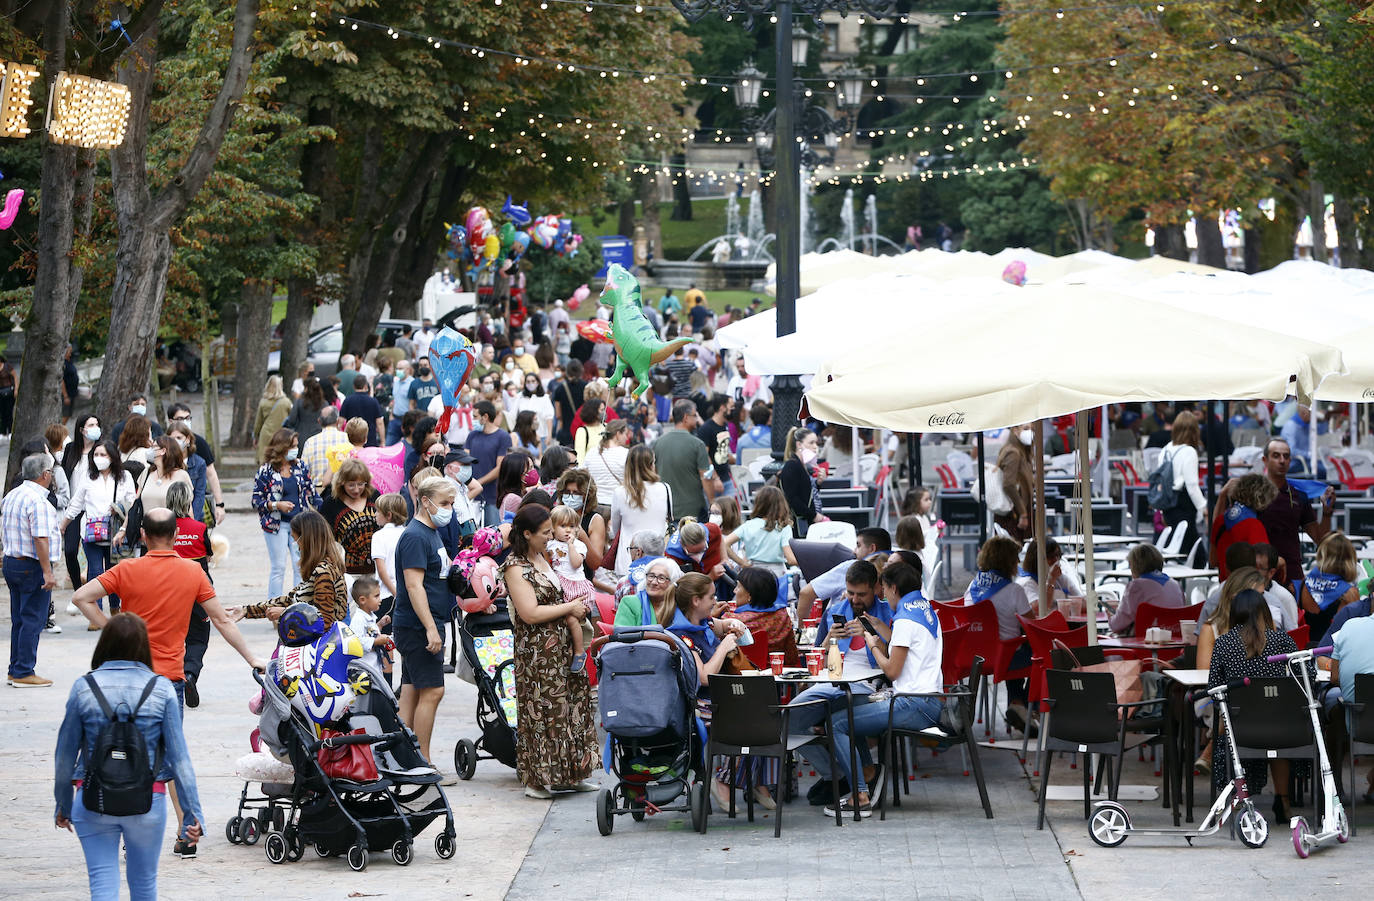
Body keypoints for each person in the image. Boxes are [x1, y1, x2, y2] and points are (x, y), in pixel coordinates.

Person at [54, 613, 205, 897]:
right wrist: (191, 815)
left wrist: (62, 804)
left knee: (102, 880)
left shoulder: (83, 688)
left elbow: (64, 756)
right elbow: (180, 758)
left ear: (104, 644)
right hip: (148, 799)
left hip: (91, 799)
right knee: (145, 882)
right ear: (144, 646)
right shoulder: (161, 689)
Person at [826, 561, 941, 817]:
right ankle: (867, 771)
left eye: (884, 589)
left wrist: (873, 645)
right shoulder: (922, 608)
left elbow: (891, 671)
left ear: (893, 588)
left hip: (913, 703)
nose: (883, 595)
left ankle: (860, 796)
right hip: (926, 699)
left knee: (836, 724)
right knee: (849, 705)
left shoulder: (904, 619)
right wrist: (878, 627)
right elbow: (905, 645)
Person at [502, 504, 598, 798]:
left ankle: (571, 774)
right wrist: (570, 607)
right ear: (527, 534)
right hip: (538, 653)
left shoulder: (542, 557)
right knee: (545, 712)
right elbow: (529, 613)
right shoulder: (515, 566)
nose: (549, 537)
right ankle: (536, 779)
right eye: (544, 533)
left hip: (563, 647)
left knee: (572, 708)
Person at [786, 558, 895, 805]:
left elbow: (894, 664)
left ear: (876, 588)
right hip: (832, 682)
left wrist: (874, 637)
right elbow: (818, 659)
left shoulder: (887, 614)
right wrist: (828, 641)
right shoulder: (836, 611)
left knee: (841, 713)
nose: (854, 600)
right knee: (787, 723)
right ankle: (840, 775)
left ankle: (859, 781)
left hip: (868, 686)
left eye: (861, 594)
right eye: (850, 592)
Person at [1207, 588, 1308, 821]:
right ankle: (1283, 801)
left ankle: (1236, 797)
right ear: (1264, 612)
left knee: (1238, 726)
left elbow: (1215, 689)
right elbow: (1305, 676)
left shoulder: (1223, 644)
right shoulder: (1282, 640)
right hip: (1284, 729)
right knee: (1277, 729)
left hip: (1241, 730)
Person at [392, 477, 458, 772]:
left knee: (412, 691)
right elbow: (414, 586)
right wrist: (431, 628)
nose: (449, 510)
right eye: (444, 503)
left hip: (421, 622)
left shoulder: (430, 533)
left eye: (452, 504)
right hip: (420, 626)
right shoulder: (416, 536)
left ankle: (404, 758)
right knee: (432, 691)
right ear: (425, 500)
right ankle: (423, 761)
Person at [1220, 437, 1333, 588]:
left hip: (1292, 577)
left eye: (1286, 456)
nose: (1282, 460)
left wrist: (1326, 513)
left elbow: (1320, 540)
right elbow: (1222, 528)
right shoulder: (1251, 494)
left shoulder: (1299, 496)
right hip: (1258, 577)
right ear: (1265, 460)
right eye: (1276, 455)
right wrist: (1222, 496)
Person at [967, 535, 1038, 732]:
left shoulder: (973, 587)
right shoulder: (1014, 590)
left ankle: (1018, 705)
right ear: (1009, 561)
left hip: (974, 658)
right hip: (1005, 658)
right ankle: (1028, 708)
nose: (1018, 562)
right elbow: (1033, 626)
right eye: (1016, 558)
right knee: (1043, 655)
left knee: (1013, 645)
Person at [4, 451, 60, 687]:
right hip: (31, 566)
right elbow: (40, 538)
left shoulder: (12, 495)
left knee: (20, 617)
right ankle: (24, 671)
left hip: (12, 562)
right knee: (33, 619)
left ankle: (15, 667)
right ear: (45, 475)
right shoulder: (38, 502)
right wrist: (47, 572)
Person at [61, 441, 135, 616]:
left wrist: (120, 507)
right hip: (91, 533)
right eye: (96, 455)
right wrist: (63, 526)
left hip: (116, 532)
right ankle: (97, 613)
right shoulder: (88, 477)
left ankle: (115, 608)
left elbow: (132, 502)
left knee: (114, 572)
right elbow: (76, 504)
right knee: (95, 572)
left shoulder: (124, 477)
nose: (99, 459)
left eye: (103, 455)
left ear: (113, 457)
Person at [252, 428, 317, 599]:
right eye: (293, 446)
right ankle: (272, 606)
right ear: (282, 448)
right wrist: (276, 505)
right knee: (278, 567)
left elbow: (312, 492)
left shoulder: (301, 466)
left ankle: (298, 604)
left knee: (300, 566)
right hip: (276, 525)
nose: (296, 449)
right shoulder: (266, 471)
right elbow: (256, 500)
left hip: (300, 524)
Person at [797, 528, 892, 623]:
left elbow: (806, 593)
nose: (855, 600)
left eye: (858, 546)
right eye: (851, 593)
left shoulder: (850, 567)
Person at [546, 505, 595, 674]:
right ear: (552, 527)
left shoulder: (579, 546)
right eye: (563, 526)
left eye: (572, 526)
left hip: (576, 588)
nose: (568, 530)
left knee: (571, 618)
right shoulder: (549, 545)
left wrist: (571, 545)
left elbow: (576, 563)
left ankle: (580, 652)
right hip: (560, 585)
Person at [654, 400, 719, 522]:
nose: (696, 418)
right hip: (693, 512)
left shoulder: (658, 443)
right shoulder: (697, 444)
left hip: (667, 511)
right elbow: (706, 477)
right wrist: (712, 503)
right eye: (694, 415)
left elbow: (654, 475)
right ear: (685, 417)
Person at [319, 458, 379, 583]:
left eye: (361, 484)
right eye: (351, 485)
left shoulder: (374, 496)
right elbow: (325, 538)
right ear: (341, 483)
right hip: (348, 574)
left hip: (377, 569)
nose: (356, 489)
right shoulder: (331, 504)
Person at [1209, 472, 1276, 579]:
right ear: (1262, 499)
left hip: (1225, 588)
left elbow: (1213, 561)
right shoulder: (1254, 525)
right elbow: (1262, 564)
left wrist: (1222, 495)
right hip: (1247, 588)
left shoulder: (1220, 521)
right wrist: (1281, 562)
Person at [1109, 543, 1185, 635]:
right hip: (1174, 639)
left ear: (1135, 565)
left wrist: (1110, 614)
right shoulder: (1175, 584)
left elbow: (1117, 625)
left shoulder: (1136, 586)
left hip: (1144, 641)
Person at [723, 484, 796, 577]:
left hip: (752, 572)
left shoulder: (748, 525)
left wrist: (741, 563)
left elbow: (725, 543)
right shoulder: (783, 527)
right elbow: (790, 559)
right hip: (776, 573)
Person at [1301, 532, 1360, 644]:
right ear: (1349, 559)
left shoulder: (1306, 583)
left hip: (1304, 653)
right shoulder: (1349, 594)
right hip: (1331, 655)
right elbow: (1352, 635)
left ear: (1321, 556)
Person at [733, 565, 798, 665]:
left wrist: (711, 617)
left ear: (750, 595)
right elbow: (791, 657)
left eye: (738, 586)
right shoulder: (782, 616)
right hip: (775, 675)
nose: (735, 591)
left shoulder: (732, 621)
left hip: (739, 676)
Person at [467, 401, 509, 526]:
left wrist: (478, 482)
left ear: (485, 417)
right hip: (472, 495)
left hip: (492, 495)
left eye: (475, 416)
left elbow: (500, 467)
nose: (472, 419)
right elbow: (465, 458)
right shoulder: (472, 435)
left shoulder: (502, 436)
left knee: (492, 533)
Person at [1015, 538, 1084, 609]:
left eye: (1057, 555)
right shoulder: (1027, 583)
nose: (1056, 560)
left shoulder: (1061, 579)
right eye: (1051, 557)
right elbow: (1040, 608)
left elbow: (1082, 602)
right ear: (1037, 559)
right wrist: (1051, 581)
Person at [779, 426, 823, 537]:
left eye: (816, 443)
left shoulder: (802, 466)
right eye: (811, 443)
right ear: (799, 445)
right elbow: (792, 499)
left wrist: (817, 484)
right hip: (797, 525)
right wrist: (813, 515)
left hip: (805, 522)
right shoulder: (792, 466)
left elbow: (805, 493)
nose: (815, 447)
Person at [994, 426, 1035, 541]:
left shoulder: (1022, 452)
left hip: (1017, 512)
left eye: (1032, 429)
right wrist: (1023, 513)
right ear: (1015, 431)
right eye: (1026, 428)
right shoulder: (1013, 453)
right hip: (1013, 514)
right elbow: (1008, 484)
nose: (1030, 432)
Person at [614, 556, 682, 626]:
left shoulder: (678, 606)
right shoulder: (629, 603)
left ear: (672, 583)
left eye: (661, 578)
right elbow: (622, 633)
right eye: (651, 576)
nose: (654, 582)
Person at [349, 575, 395, 673]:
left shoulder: (369, 616)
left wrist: (379, 625)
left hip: (374, 668)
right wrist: (376, 641)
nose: (380, 599)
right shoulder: (359, 619)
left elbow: (368, 632)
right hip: (365, 670)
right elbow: (357, 641)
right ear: (363, 600)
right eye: (376, 596)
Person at [166, 420, 209, 525]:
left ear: (188, 439)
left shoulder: (199, 463)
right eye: (172, 439)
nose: (175, 442)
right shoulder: (164, 463)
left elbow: (199, 494)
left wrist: (192, 521)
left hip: (191, 517)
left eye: (179, 438)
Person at [586, 420, 629, 519]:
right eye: (625, 434)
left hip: (595, 504)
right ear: (618, 434)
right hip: (618, 505)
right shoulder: (626, 454)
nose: (626, 438)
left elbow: (584, 475)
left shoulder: (591, 452)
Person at [300, 407, 350, 492]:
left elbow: (303, 470)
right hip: (343, 491)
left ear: (319, 422)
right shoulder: (347, 438)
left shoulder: (310, 442)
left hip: (318, 492)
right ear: (337, 421)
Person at [696, 396, 737, 500]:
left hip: (726, 478)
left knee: (730, 512)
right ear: (722, 407)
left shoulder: (725, 426)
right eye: (731, 407)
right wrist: (715, 478)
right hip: (712, 481)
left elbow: (722, 450)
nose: (733, 409)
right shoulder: (706, 429)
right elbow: (704, 456)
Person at [254, 376, 292, 465]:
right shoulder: (286, 402)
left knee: (265, 461)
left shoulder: (263, 402)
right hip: (282, 435)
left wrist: (256, 436)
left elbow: (258, 422)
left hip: (266, 434)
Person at [339, 374, 385, 446]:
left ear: (354, 386)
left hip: (352, 440)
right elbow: (379, 423)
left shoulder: (347, 400)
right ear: (365, 386)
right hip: (370, 440)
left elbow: (340, 422)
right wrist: (383, 441)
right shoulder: (373, 401)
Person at [283, 377, 327, 446]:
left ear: (306, 389)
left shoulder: (299, 402)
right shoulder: (324, 403)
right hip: (319, 434)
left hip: (302, 434)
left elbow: (292, 419)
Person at [386, 360, 414, 444]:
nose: (398, 371)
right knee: (389, 446)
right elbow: (394, 399)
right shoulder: (396, 382)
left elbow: (413, 403)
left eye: (401, 368)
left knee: (406, 447)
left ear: (408, 369)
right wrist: (391, 415)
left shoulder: (412, 383)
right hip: (395, 419)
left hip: (406, 420)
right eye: (397, 368)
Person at [573, 398, 605, 463]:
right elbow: (580, 456)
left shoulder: (607, 427)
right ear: (593, 412)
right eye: (602, 410)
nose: (604, 412)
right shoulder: (582, 431)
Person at [0, 356, 14, 436]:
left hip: (8, 391)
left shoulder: (7, 366)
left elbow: (15, 376)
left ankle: (10, 431)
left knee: (9, 412)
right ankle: (3, 432)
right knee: (2, 413)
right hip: (0, 392)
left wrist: (15, 389)